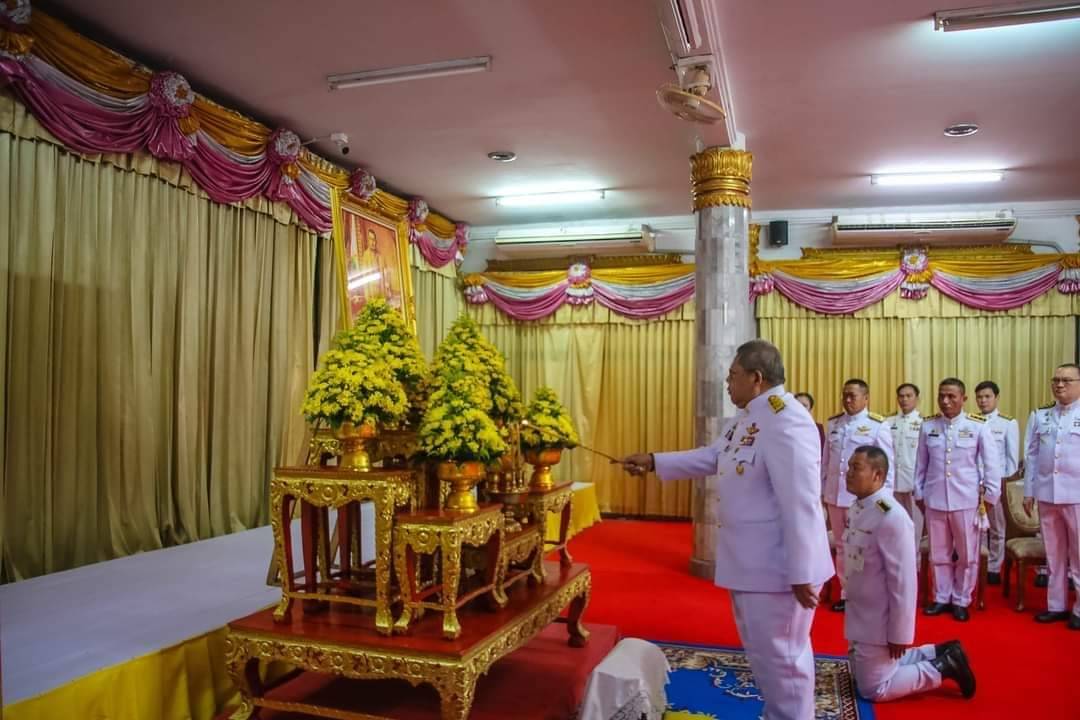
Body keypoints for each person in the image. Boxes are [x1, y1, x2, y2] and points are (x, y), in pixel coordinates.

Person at [617, 340, 832, 720]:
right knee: (766, 661)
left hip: (778, 570)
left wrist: (802, 571)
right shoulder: (751, 418)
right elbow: (714, 456)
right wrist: (653, 461)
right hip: (751, 565)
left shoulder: (787, 421)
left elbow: (800, 501)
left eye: (732, 375)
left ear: (756, 378)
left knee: (784, 664)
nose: (727, 383)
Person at [843, 446, 976, 702]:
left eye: (855, 468)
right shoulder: (859, 507)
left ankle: (942, 667)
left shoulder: (891, 516)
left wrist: (900, 634)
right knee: (861, 674)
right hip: (861, 613)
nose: (847, 473)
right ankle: (938, 651)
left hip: (879, 620)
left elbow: (904, 583)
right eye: (849, 466)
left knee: (873, 689)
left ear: (877, 475)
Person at [915, 378, 1001, 622]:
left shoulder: (977, 426)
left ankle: (962, 599)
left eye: (951, 396)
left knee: (967, 555)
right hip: (935, 499)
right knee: (938, 554)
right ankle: (941, 597)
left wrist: (991, 497)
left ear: (963, 399)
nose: (945, 401)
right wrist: (919, 494)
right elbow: (921, 465)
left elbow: (992, 465)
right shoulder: (928, 425)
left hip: (966, 501)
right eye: (941, 395)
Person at [822, 378, 895, 612]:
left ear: (866, 398)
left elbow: (887, 466)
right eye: (845, 395)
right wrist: (822, 491)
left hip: (862, 499)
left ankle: (866, 593)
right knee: (843, 546)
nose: (848, 399)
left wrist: (885, 501)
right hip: (835, 495)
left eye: (853, 395)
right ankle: (847, 593)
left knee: (863, 546)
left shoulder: (877, 425)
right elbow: (826, 463)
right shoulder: (834, 423)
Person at [1023, 363, 1080, 628]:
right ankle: (1056, 605)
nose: (1059, 385)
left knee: (1079, 554)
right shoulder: (1041, 415)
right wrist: (1029, 491)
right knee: (1054, 554)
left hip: (1076, 495)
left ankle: (1078, 609)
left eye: (1066, 380)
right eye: (1056, 380)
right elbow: (1032, 455)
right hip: (1047, 493)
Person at [974, 380, 1020, 585]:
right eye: (980, 397)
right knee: (977, 527)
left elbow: (1011, 460)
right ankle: (978, 563)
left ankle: (993, 567)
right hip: (973, 484)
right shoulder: (971, 421)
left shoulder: (1007, 423)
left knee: (997, 528)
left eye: (987, 396)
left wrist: (1002, 484)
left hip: (995, 484)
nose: (983, 401)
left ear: (996, 397)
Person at [887, 383, 924, 560]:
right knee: (892, 523)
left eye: (909, 396)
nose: (904, 399)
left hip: (913, 483)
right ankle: (896, 558)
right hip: (892, 482)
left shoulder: (924, 423)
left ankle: (914, 563)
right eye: (901, 396)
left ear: (917, 398)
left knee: (914, 525)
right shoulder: (888, 422)